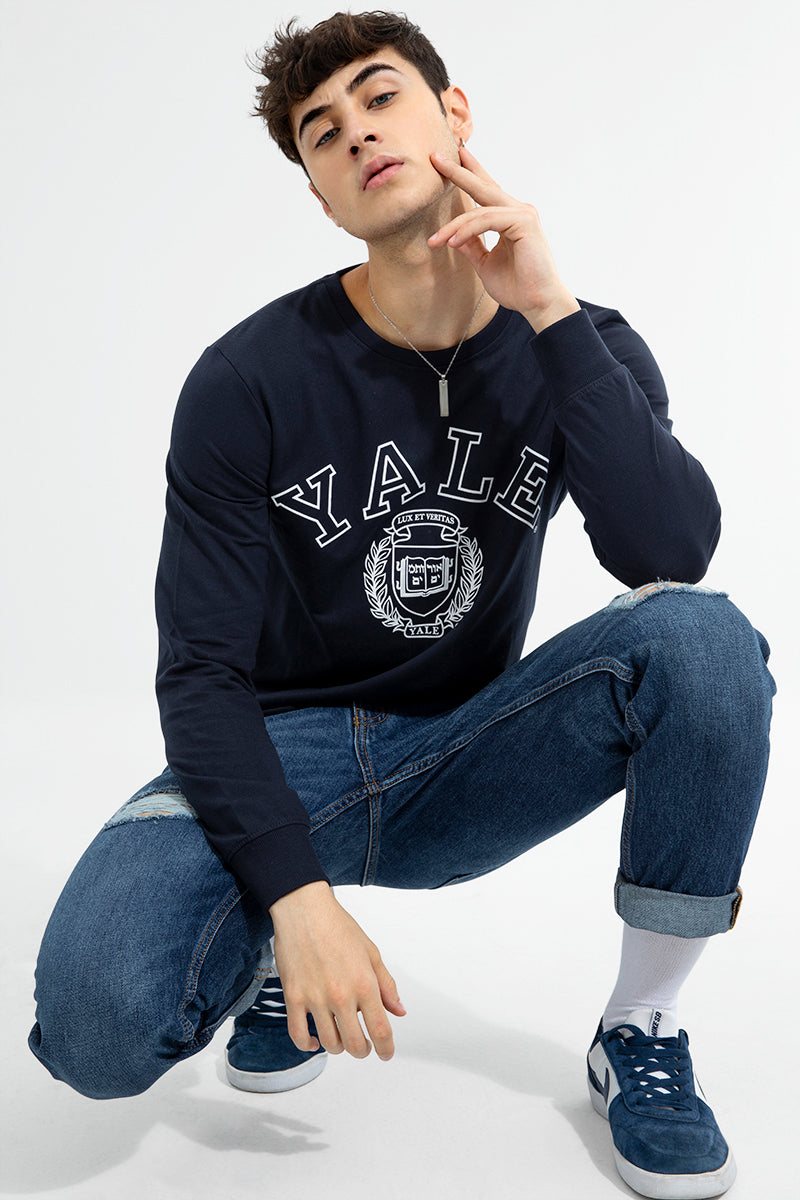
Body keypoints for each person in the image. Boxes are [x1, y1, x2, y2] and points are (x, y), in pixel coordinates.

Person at [29, 12, 774, 1199]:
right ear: (318, 193)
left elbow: (667, 551)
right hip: (285, 754)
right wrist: (294, 896)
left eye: (379, 98)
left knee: (703, 640)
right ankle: (272, 949)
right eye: (321, 133)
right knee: (93, 1031)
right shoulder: (245, 379)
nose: (357, 135)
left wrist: (548, 313)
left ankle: (640, 1027)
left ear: (452, 113)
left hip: (469, 748)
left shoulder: (577, 341)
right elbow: (199, 674)